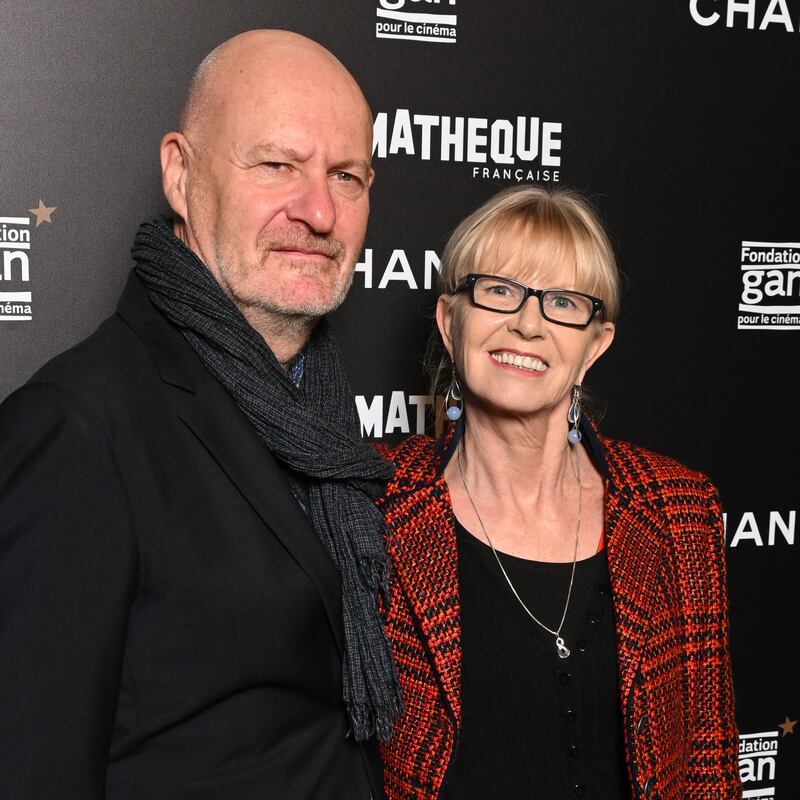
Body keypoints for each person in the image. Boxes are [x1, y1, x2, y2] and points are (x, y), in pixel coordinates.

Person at [0, 29, 401, 799]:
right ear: (181, 175)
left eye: (346, 176)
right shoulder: (77, 429)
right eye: (277, 165)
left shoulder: (325, 422)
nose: (319, 211)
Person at [376, 185, 741, 799]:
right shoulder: (372, 503)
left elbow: (709, 766)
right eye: (498, 290)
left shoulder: (680, 510)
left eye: (564, 302)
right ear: (449, 320)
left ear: (594, 345)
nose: (527, 323)